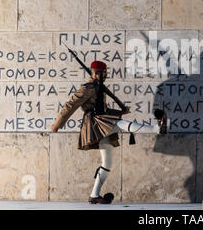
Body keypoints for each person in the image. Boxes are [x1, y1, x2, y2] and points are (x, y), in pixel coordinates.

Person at [51, 60, 167, 204]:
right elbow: (70, 105)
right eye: (98, 72)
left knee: (107, 163)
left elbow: (103, 109)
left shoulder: (98, 87)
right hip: (96, 124)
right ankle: (157, 129)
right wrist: (57, 124)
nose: (101, 75)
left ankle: (94, 195)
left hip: (102, 122)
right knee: (122, 125)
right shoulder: (87, 88)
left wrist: (120, 111)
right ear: (93, 73)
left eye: (103, 72)